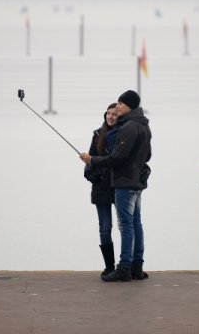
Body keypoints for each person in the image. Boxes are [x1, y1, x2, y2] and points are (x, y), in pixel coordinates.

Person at [80, 90, 152, 282]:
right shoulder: (144, 126)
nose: (117, 106)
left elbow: (118, 157)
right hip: (137, 181)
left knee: (126, 225)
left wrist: (93, 159)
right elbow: (148, 156)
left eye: (120, 103)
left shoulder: (128, 127)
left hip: (124, 182)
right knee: (136, 224)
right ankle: (137, 266)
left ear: (128, 106)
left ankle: (125, 268)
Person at [83, 103, 119, 276]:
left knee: (127, 226)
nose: (111, 117)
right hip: (101, 187)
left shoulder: (124, 134)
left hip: (120, 186)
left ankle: (127, 265)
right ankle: (109, 266)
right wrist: (92, 176)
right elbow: (90, 159)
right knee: (105, 227)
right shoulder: (98, 135)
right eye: (108, 114)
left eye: (115, 114)